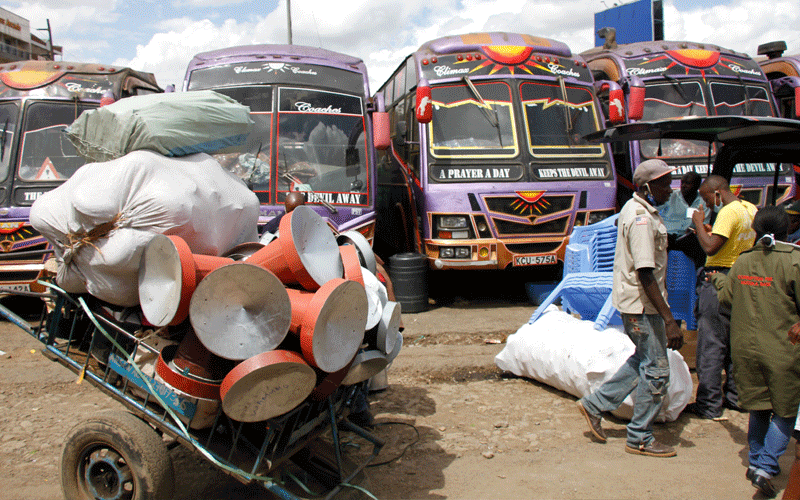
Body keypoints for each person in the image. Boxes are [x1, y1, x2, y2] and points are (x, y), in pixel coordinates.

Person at [576, 159, 684, 458]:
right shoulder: (641, 218)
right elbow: (645, 273)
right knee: (658, 370)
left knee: (644, 362)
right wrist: (669, 319)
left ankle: (594, 405)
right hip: (642, 306)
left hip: (642, 305)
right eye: (664, 184)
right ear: (646, 187)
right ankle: (639, 437)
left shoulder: (640, 211)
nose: (670, 189)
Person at [709, 206, 800, 498]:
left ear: (756, 231)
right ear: (787, 230)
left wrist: (717, 279)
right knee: (785, 411)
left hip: (746, 349)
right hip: (783, 350)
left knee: (759, 406)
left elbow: (727, 299)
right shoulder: (794, 261)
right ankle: (765, 467)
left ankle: (756, 461)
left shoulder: (743, 261)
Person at [684, 175, 757, 420]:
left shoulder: (728, 212)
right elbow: (730, 240)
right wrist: (709, 231)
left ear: (717, 192)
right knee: (736, 342)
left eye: (707, 198)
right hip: (743, 280)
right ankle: (736, 397)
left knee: (712, 343)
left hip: (717, 279)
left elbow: (711, 248)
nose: (708, 204)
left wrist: (698, 226)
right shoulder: (750, 209)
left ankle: (709, 404)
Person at [659, 171, 708, 235]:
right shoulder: (670, 196)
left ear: (697, 185)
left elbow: (705, 224)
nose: (683, 186)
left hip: (691, 237)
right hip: (668, 235)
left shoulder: (703, 201)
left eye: (687, 183)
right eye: (682, 182)